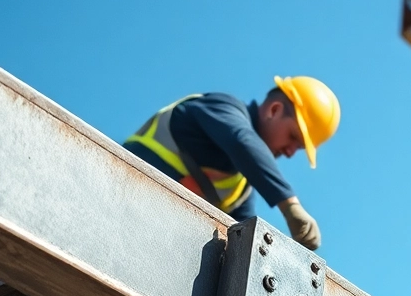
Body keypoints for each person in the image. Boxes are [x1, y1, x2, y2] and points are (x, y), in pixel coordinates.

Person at [123, 76, 340, 250]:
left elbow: (238, 241)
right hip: (121, 195)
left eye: (299, 148)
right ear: (274, 110)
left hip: (148, 243)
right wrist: (289, 204)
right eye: (293, 137)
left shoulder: (241, 189)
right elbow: (242, 141)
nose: (291, 152)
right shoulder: (222, 107)